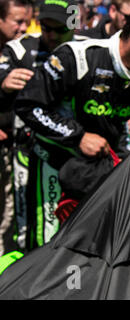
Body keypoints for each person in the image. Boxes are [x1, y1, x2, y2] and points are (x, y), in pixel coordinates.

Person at [13, 0, 130, 249]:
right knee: (45, 249)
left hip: (102, 175)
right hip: (54, 166)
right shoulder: (77, 56)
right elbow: (28, 105)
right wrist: (78, 136)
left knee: (94, 251)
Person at [0, 0, 79, 252]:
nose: (52, 35)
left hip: (73, 154)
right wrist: (2, 84)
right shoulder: (19, 49)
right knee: (26, 227)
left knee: (67, 225)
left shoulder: (84, 49)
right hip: (27, 153)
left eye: (59, 28)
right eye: (46, 27)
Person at [0, 0, 34, 256]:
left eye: (27, 21)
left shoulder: (23, 52)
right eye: (18, 21)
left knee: (10, 218)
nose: (24, 28)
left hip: (14, 150)